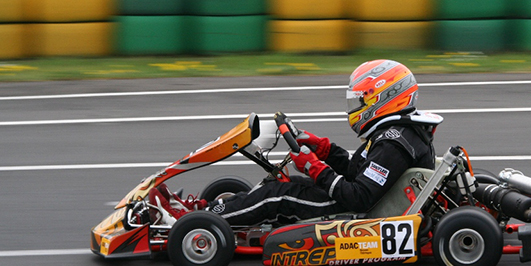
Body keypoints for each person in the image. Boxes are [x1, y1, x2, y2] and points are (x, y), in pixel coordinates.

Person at [149, 59, 440, 226]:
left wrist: (315, 167)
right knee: (281, 182)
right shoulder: (397, 133)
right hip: (366, 200)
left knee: (276, 195)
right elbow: (357, 171)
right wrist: (323, 149)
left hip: (361, 213)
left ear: (384, 99)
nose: (355, 107)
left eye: (360, 101)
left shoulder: (393, 143)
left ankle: (195, 220)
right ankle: (208, 209)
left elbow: (359, 197)